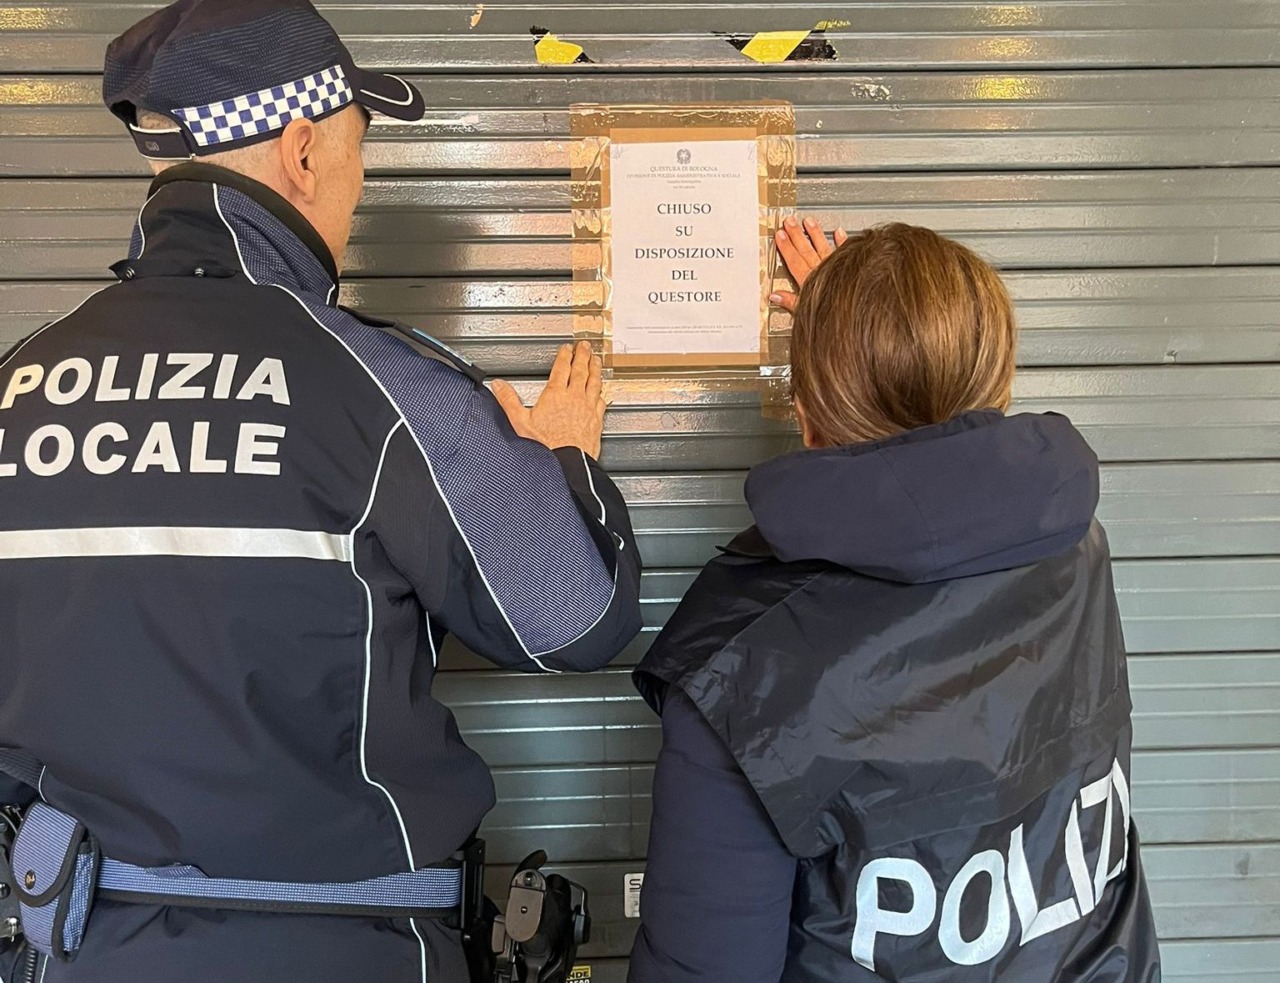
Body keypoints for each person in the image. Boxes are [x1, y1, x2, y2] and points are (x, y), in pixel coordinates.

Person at [0, 1, 642, 980]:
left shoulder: (20, 382)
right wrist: (560, 463)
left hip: (76, 948)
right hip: (343, 950)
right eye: (356, 152)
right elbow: (573, 621)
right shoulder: (385, 384)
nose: (354, 185)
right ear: (302, 149)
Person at [628, 218, 1161, 982]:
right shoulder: (1073, 546)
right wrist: (879, 343)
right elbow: (969, 486)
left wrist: (843, 347)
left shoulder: (742, 670)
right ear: (995, 382)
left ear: (807, 412)